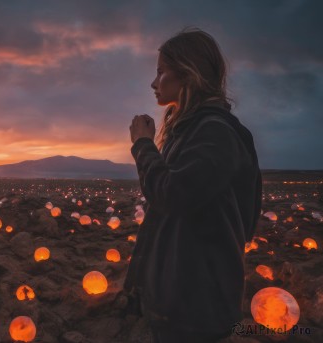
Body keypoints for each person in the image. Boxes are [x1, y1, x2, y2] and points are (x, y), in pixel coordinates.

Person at [125, 28, 262, 343]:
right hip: (181, 296)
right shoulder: (187, 131)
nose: (153, 82)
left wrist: (144, 146)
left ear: (188, 73)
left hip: (197, 307)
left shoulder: (216, 133)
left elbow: (172, 195)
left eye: (161, 71)